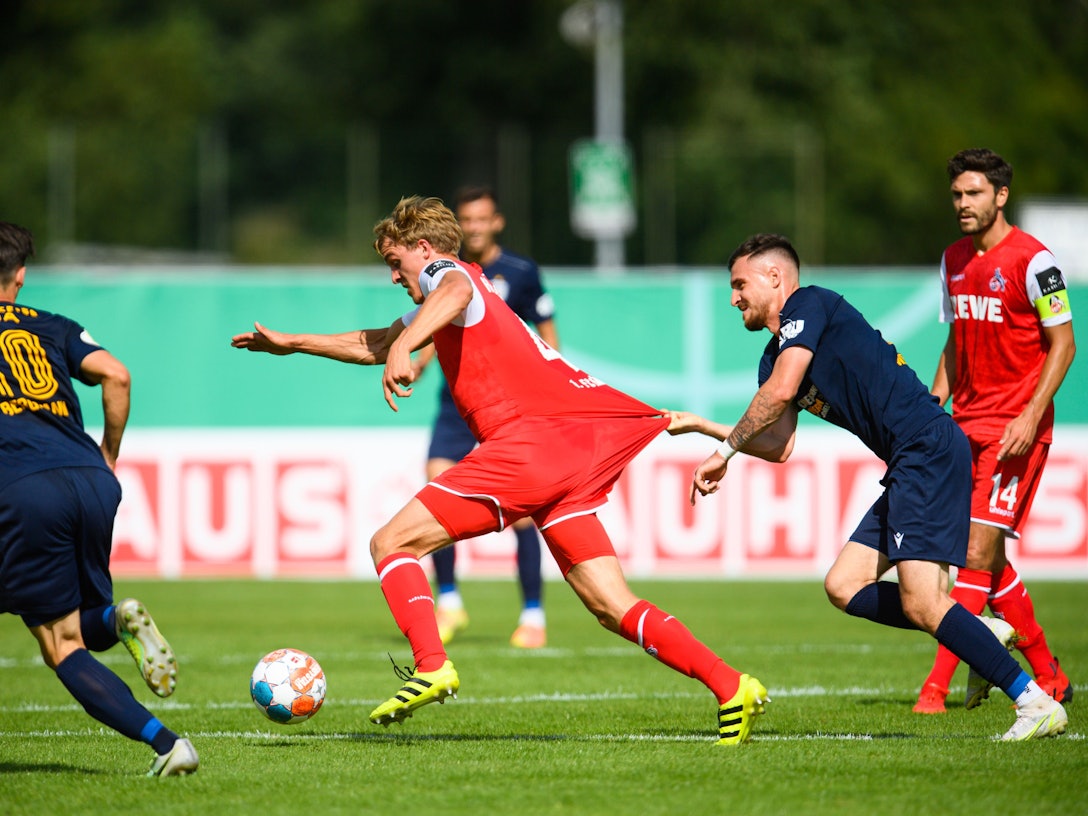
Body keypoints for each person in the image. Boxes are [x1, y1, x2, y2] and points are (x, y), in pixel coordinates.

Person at [231, 195, 769, 745]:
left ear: (423, 248)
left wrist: (407, 345)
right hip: (566, 454)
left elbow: (452, 292)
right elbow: (377, 342)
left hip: (527, 447)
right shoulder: (448, 293)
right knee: (611, 606)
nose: (393, 275)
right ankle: (732, 686)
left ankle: (432, 664)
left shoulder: (449, 275)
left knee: (391, 543)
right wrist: (293, 343)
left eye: (395, 262)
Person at [668, 232, 1066, 741]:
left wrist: (722, 453)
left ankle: (1034, 702)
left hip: (926, 447)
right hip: (909, 459)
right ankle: (978, 631)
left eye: (740, 284)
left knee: (923, 602)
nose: (733, 298)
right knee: (843, 585)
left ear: (774, 276)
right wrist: (704, 427)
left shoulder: (809, 304)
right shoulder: (774, 356)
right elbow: (779, 445)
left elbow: (781, 392)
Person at [0, 221, 198, 776]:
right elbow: (117, 375)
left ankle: (168, 745)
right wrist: (107, 456)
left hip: (21, 488)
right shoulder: (52, 325)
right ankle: (114, 619)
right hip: (90, 479)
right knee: (78, 623)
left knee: (60, 645)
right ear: (20, 275)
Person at [913, 148, 1076, 714]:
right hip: (964, 427)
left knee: (974, 553)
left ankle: (935, 688)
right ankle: (1049, 674)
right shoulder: (952, 259)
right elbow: (955, 342)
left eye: (974, 193)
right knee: (986, 558)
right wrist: (933, 406)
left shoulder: (1035, 261)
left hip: (1014, 432)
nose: (963, 203)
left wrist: (1030, 415)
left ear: (1001, 196)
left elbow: (1064, 344)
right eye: (957, 194)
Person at [411, 186, 557, 649]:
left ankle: (532, 616)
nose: (474, 227)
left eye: (481, 219)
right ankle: (450, 603)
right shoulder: (446, 270)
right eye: (467, 219)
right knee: (436, 488)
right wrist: (420, 360)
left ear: (497, 222)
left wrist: (550, 385)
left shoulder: (521, 272)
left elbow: (546, 332)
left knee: (522, 515)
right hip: (457, 402)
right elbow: (439, 323)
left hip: (508, 405)